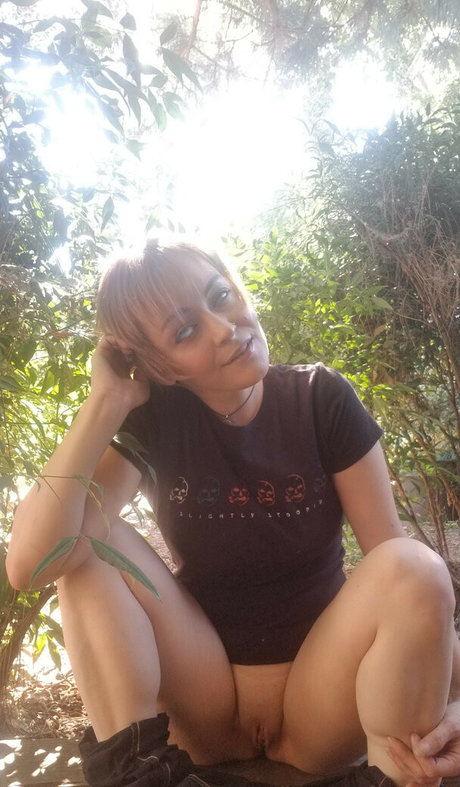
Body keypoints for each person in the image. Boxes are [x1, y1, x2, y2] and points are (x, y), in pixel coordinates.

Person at [6, 240, 460, 787]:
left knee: (414, 566)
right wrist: (106, 402)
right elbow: (33, 564)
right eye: (185, 332)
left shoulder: (321, 400)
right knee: (87, 544)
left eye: (220, 296)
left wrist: (454, 699)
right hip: (204, 705)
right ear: (157, 366)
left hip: (323, 706)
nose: (224, 329)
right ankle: (140, 775)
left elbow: (408, 592)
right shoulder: (156, 420)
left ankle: (398, 774)